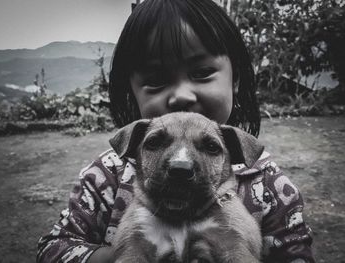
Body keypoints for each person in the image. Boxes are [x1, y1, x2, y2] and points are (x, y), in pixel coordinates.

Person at [37, 0, 315, 262]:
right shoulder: (105, 176)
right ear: (131, 91)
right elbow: (54, 248)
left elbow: (296, 256)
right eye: (156, 79)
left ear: (235, 81)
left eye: (202, 71)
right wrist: (127, 253)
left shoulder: (270, 185)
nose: (181, 96)